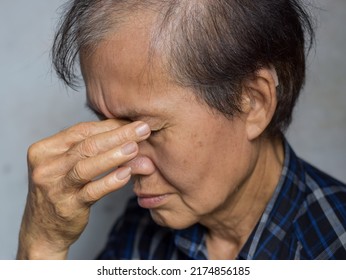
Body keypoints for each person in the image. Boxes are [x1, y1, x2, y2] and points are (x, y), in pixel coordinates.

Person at [17, 0, 346, 260]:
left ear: (253, 102)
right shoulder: (141, 228)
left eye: (150, 131)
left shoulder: (333, 247)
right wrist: (43, 245)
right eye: (109, 128)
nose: (128, 166)